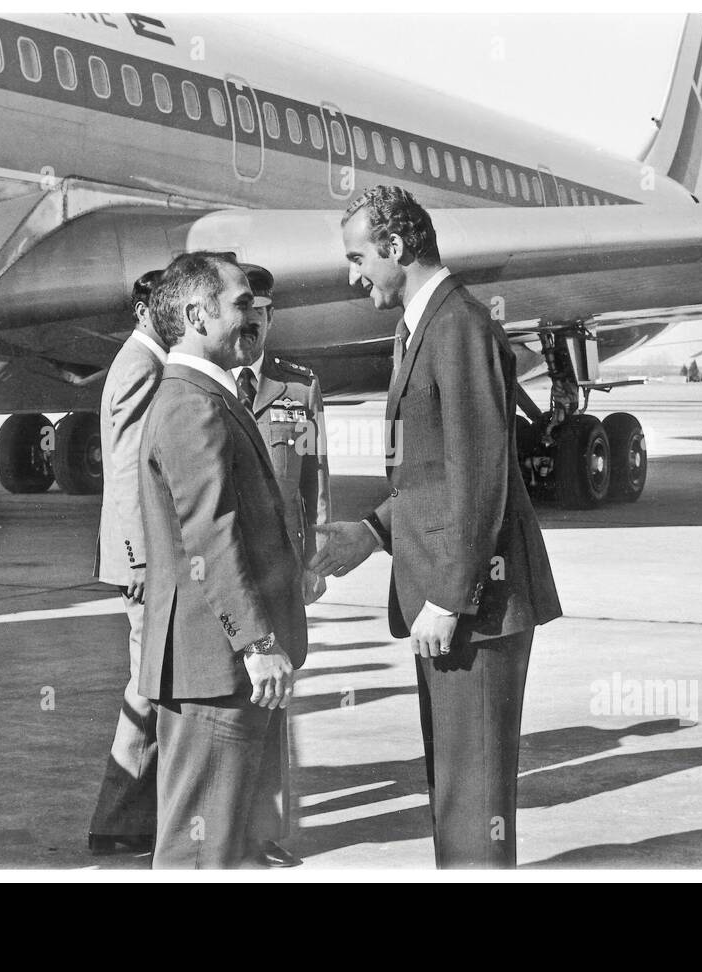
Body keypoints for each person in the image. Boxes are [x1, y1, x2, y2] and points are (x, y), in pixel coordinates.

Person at [311, 186, 562, 868]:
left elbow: (482, 474)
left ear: (395, 247)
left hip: (475, 607)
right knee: (455, 788)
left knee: (473, 795)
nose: (352, 274)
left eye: (359, 256)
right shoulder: (425, 326)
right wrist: (371, 531)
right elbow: (434, 477)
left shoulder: (459, 326)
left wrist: (452, 596)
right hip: (450, 598)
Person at [138, 251, 307, 868]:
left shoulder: (208, 395)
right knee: (199, 854)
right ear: (194, 313)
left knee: (228, 849)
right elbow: (211, 537)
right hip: (214, 668)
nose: (253, 316)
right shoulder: (191, 404)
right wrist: (257, 643)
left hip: (220, 666)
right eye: (240, 304)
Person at [230, 263, 332, 868]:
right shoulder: (201, 379)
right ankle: (207, 829)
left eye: (261, 315)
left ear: (271, 318)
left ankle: (262, 832)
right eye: (242, 313)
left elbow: (316, 475)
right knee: (216, 705)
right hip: (221, 573)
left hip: (281, 570)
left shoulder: (298, 386)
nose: (251, 325)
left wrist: (316, 556)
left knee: (273, 700)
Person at [88, 269, 165, 856]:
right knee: (149, 685)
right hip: (141, 560)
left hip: (138, 557)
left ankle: (131, 819)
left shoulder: (139, 358)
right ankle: (119, 821)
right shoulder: (142, 364)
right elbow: (128, 473)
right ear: (145, 309)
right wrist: (140, 561)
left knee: (152, 682)